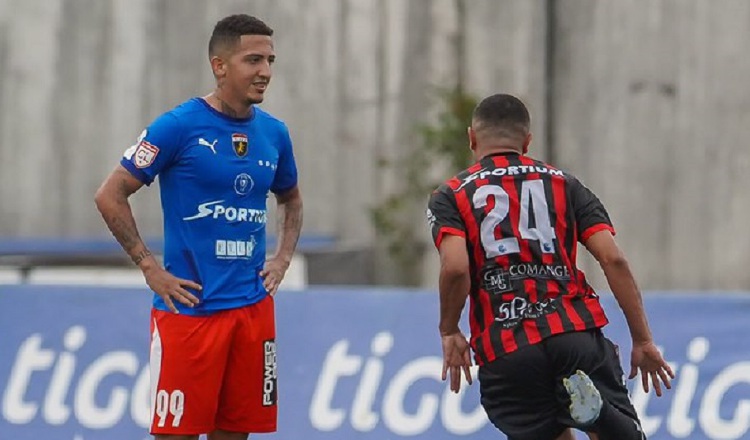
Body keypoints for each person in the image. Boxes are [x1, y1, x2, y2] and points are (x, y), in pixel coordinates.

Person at [94, 14, 303, 440]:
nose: (265, 71)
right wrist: (149, 267)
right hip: (190, 311)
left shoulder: (275, 134)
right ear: (219, 65)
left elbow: (291, 198)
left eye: (270, 60)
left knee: (236, 432)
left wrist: (281, 258)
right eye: (253, 60)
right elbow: (109, 195)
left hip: (252, 310)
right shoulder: (177, 126)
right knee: (177, 435)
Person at [426, 94, 673, 440]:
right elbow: (612, 258)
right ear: (527, 141)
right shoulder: (564, 184)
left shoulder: (450, 195)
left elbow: (454, 268)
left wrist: (450, 329)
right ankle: (600, 416)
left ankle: (596, 415)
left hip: (508, 346)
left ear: (471, 138)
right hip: (572, 331)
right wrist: (642, 339)